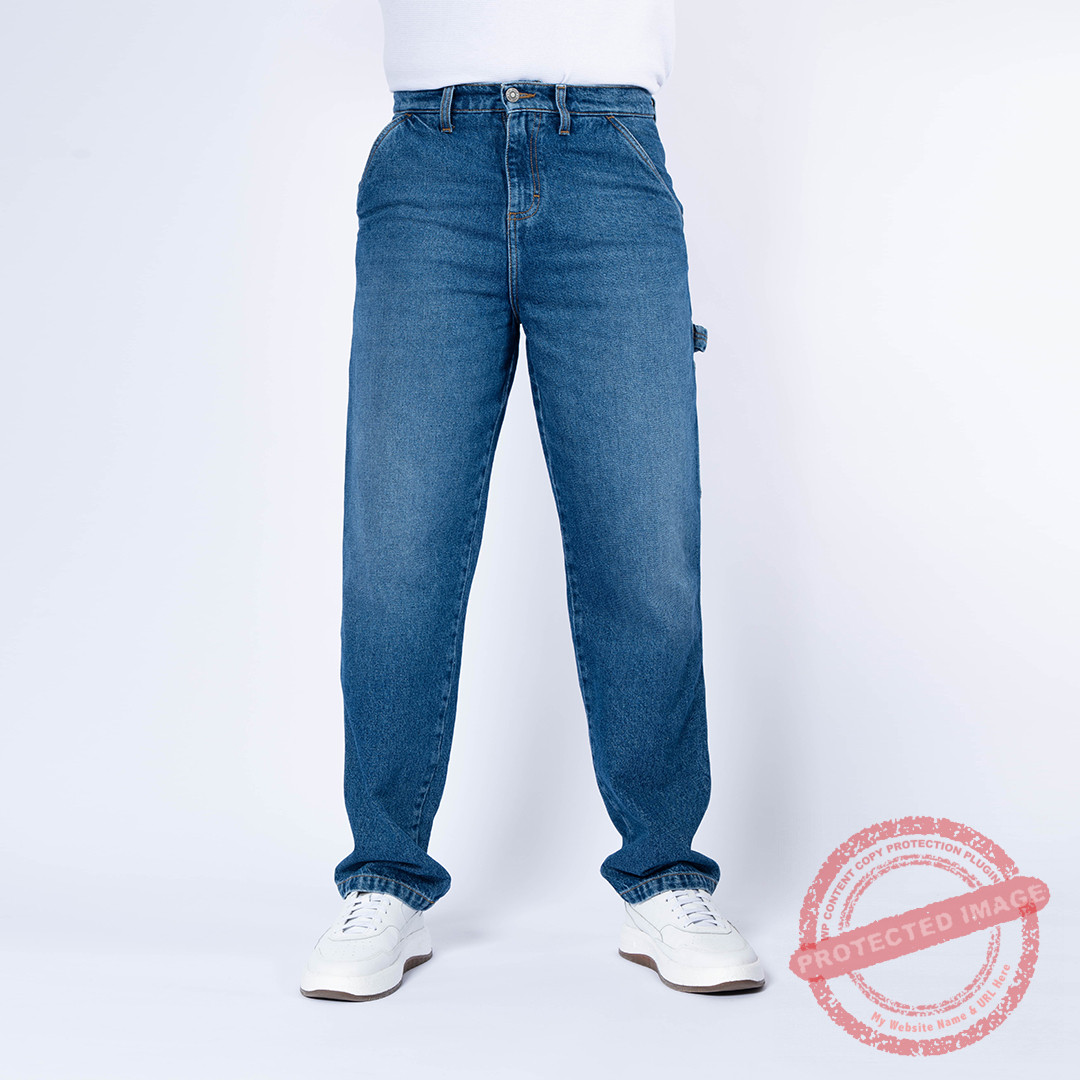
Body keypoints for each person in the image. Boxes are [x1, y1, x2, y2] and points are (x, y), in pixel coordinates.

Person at [300, 0, 764, 1000]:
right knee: (397, 548)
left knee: (644, 544)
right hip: (429, 156)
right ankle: (383, 875)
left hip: (610, 153)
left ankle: (665, 874)